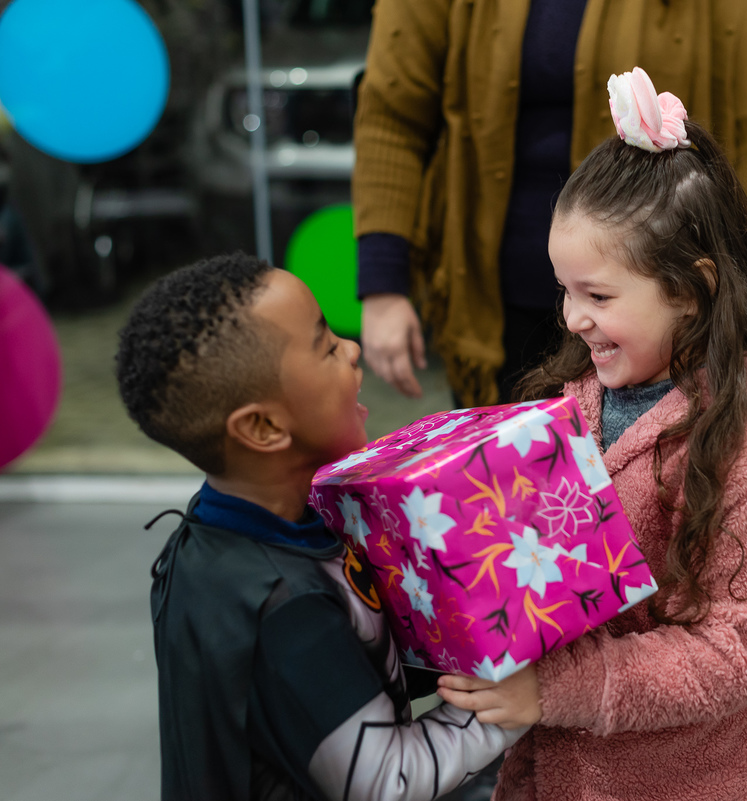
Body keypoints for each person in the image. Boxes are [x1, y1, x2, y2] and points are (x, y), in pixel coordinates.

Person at [431, 69, 747, 801]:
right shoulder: (570, 402)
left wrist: (551, 689)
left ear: (693, 288)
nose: (572, 318)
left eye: (598, 296)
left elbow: (731, 654)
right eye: (565, 290)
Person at [115, 253, 526, 801]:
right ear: (263, 427)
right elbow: (387, 780)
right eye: (326, 346)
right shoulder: (284, 608)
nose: (352, 348)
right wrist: (514, 703)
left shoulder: (237, 527)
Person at [352, 0, 747, 406]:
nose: (573, 321)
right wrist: (383, 285)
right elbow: (392, 115)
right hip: (494, 296)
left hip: (658, 305)